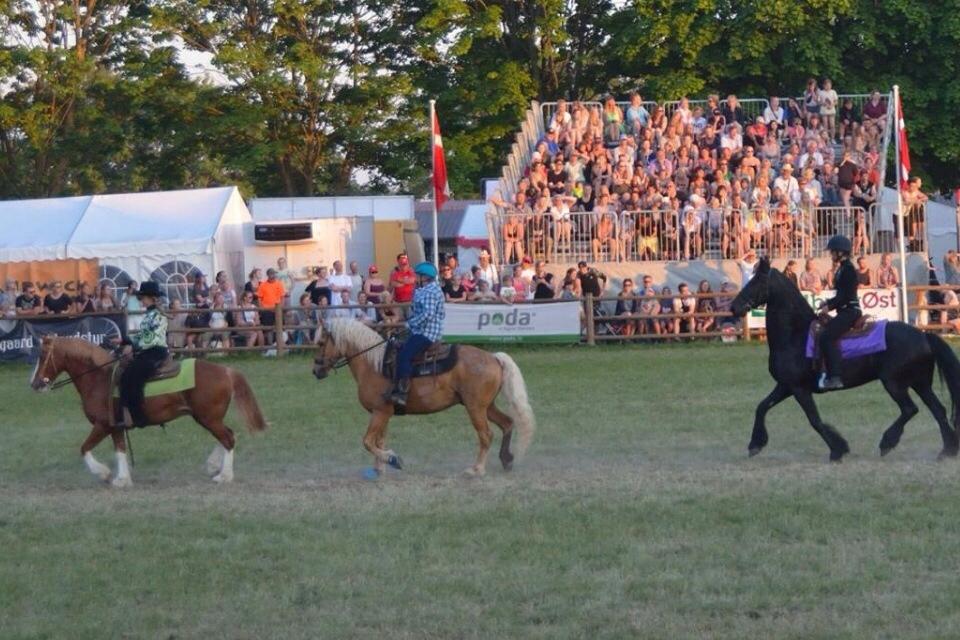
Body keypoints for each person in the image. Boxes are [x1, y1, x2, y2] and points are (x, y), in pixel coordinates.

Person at [389, 262, 445, 407]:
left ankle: (403, 392)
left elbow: (427, 314)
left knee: (404, 355)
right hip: (420, 330)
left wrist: (410, 324)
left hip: (427, 333)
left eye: (417, 276)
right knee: (396, 346)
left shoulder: (430, 292)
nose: (415, 278)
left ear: (425, 277)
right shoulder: (425, 290)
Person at [116, 281, 169, 428]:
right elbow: (142, 335)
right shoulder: (150, 314)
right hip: (148, 351)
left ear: (152, 298)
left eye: (143, 298)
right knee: (126, 373)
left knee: (133, 374)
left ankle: (139, 417)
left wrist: (133, 346)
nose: (141, 301)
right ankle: (128, 413)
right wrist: (125, 341)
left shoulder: (158, 316)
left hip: (156, 352)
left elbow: (152, 338)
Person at [817, 235, 861, 391]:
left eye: (833, 252)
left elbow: (845, 296)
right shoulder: (843, 268)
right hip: (846, 309)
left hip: (850, 311)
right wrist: (827, 303)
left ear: (841, 252)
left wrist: (829, 308)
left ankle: (835, 377)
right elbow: (840, 294)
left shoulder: (848, 270)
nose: (831, 255)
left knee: (826, 337)